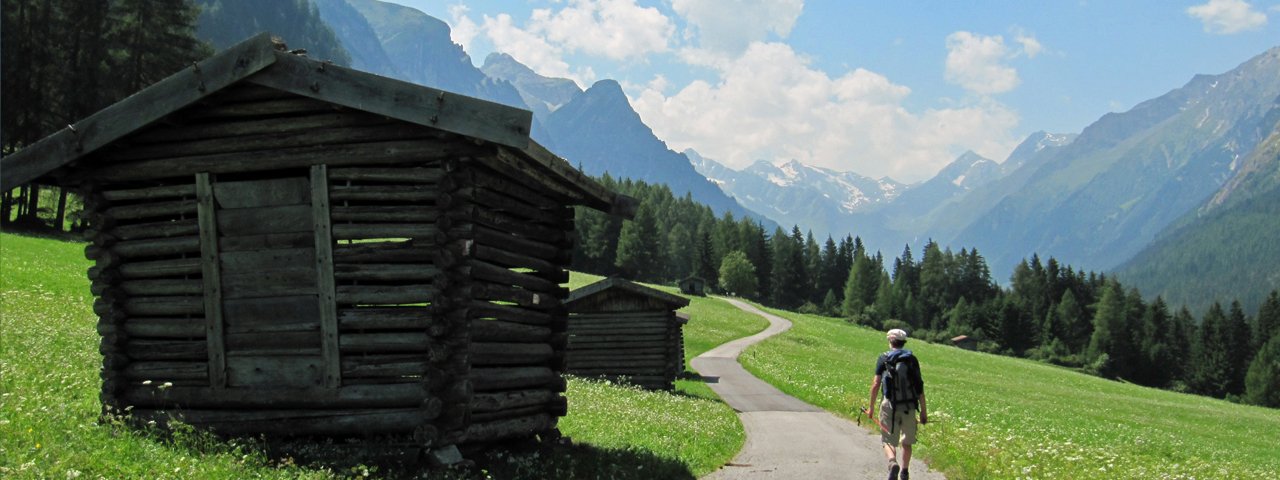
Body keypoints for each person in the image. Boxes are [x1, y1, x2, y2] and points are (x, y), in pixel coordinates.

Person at [868, 328, 927, 480]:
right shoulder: (911, 359)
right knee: (907, 441)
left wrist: (871, 408)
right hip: (909, 406)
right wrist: (923, 412)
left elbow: (875, 384)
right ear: (903, 342)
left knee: (888, 440)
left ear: (890, 341)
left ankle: (892, 462)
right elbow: (919, 386)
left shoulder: (884, 358)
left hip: (889, 405)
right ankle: (905, 471)